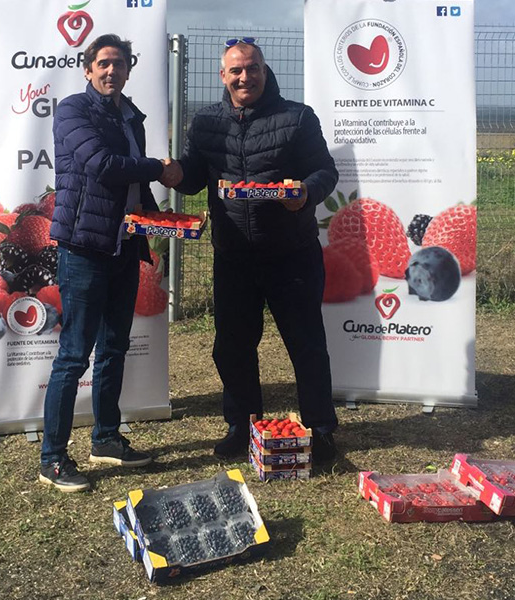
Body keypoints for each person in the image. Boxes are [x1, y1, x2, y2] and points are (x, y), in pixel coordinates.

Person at [168, 37, 340, 462]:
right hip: (234, 256)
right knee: (232, 346)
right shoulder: (205, 122)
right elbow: (194, 177)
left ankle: (320, 429)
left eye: (253, 68)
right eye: (237, 70)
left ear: (265, 70)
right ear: (223, 76)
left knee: (306, 344)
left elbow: (325, 171)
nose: (246, 76)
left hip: (291, 253)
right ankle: (241, 425)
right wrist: (173, 172)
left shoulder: (297, 117)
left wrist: (306, 191)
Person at [39, 34, 180, 492]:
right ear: (87, 69)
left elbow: (133, 186)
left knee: (115, 346)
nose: (110, 71)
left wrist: (164, 220)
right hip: (84, 248)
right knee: (74, 354)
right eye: (102, 63)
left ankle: (105, 438)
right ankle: (53, 458)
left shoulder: (130, 116)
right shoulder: (72, 112)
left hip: (123, 247)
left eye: (118, 64)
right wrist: (160, 167)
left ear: (127, 70)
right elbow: (103, 165)